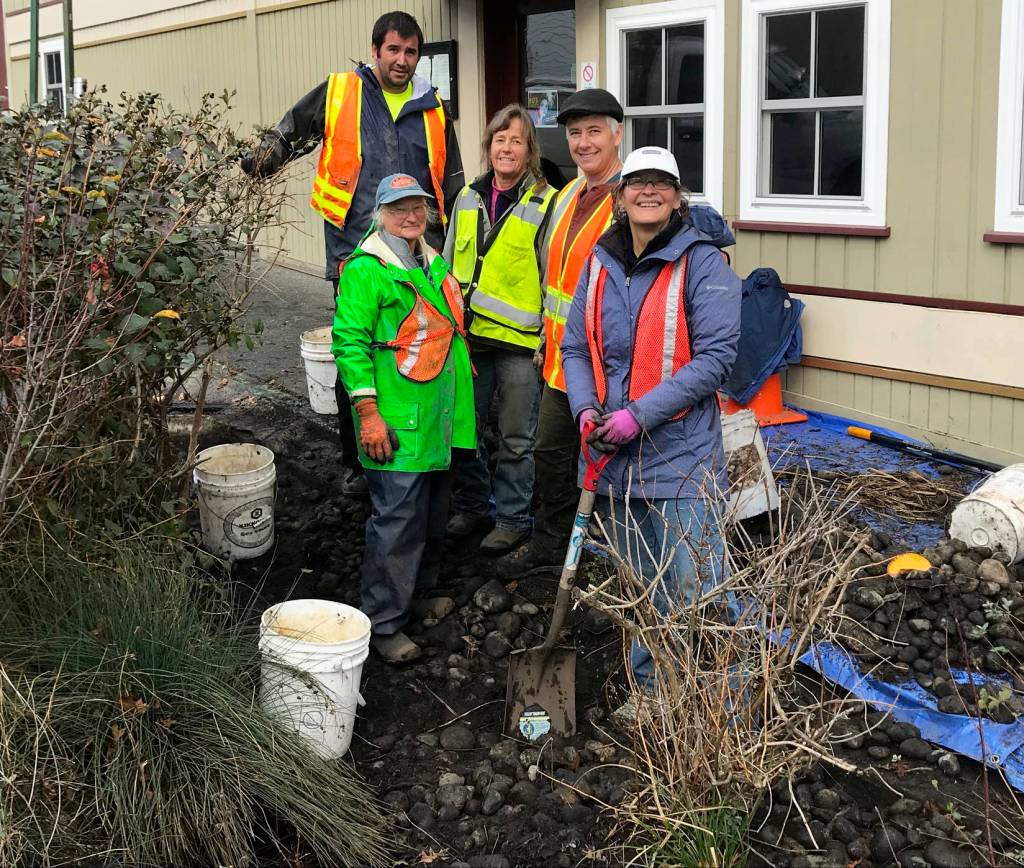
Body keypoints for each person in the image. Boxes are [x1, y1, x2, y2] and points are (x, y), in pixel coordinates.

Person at [241, 11, 464, 498]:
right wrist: (267, 155)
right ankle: (361, 458)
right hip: (356, 251)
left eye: (410, 52)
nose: (402, 61)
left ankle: (422, 442)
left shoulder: (432, 106)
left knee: (419, 347)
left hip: (418, 251)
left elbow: (451, 178)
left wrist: (453, 245)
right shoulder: (343, 91)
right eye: (393, 50)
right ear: (376, 49)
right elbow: (293, 128)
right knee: (358, 351)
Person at [560, 145, 741, 692]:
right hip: (611, 460)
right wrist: (586, 407)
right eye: (638, 181)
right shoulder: (600, 260)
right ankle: (655, 693)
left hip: (680, 458)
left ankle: (717, 709)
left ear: (678, 197)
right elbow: (574, 346)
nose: (648, 190)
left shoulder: (702, 261)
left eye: (662, 182)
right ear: (620, 195)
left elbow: (716, 359)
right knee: (642, 588)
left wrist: (638, 416)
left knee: (697, 586)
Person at [331, 174, 475, 664]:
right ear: (380, 213)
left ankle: (416, 596)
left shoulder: (429, 259)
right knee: (397, 524)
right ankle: (384, 623)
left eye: (417, 207)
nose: (410, 216)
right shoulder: (366, 270)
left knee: (432, 518)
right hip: (397, 422)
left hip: (438, 420)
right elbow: (348, 344)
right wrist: (367, 414)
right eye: (398, 209)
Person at [494, 89, 624, 578]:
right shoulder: (568, 194)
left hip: (611, 366)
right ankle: (553, 545)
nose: (584, 142)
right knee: (551, 454)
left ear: (617, 134)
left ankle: (617, 555)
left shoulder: (630, 196)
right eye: (574, 133)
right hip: (561, 362)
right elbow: (555, 281)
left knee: (613, 460)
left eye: (594, 130)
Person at [442, 105, 557, 555]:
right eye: (499, 140)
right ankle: (472, 505)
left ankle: (512, 518)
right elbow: (449, 267)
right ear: (488, 147)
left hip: (518, 344)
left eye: (517, 140)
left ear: (529, 151)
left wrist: (549, 340)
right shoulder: (468, 198)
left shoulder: (546, 202)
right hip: (469, 339)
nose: (506, 148)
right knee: (463, 431)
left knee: (515, 438)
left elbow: (553, 277)